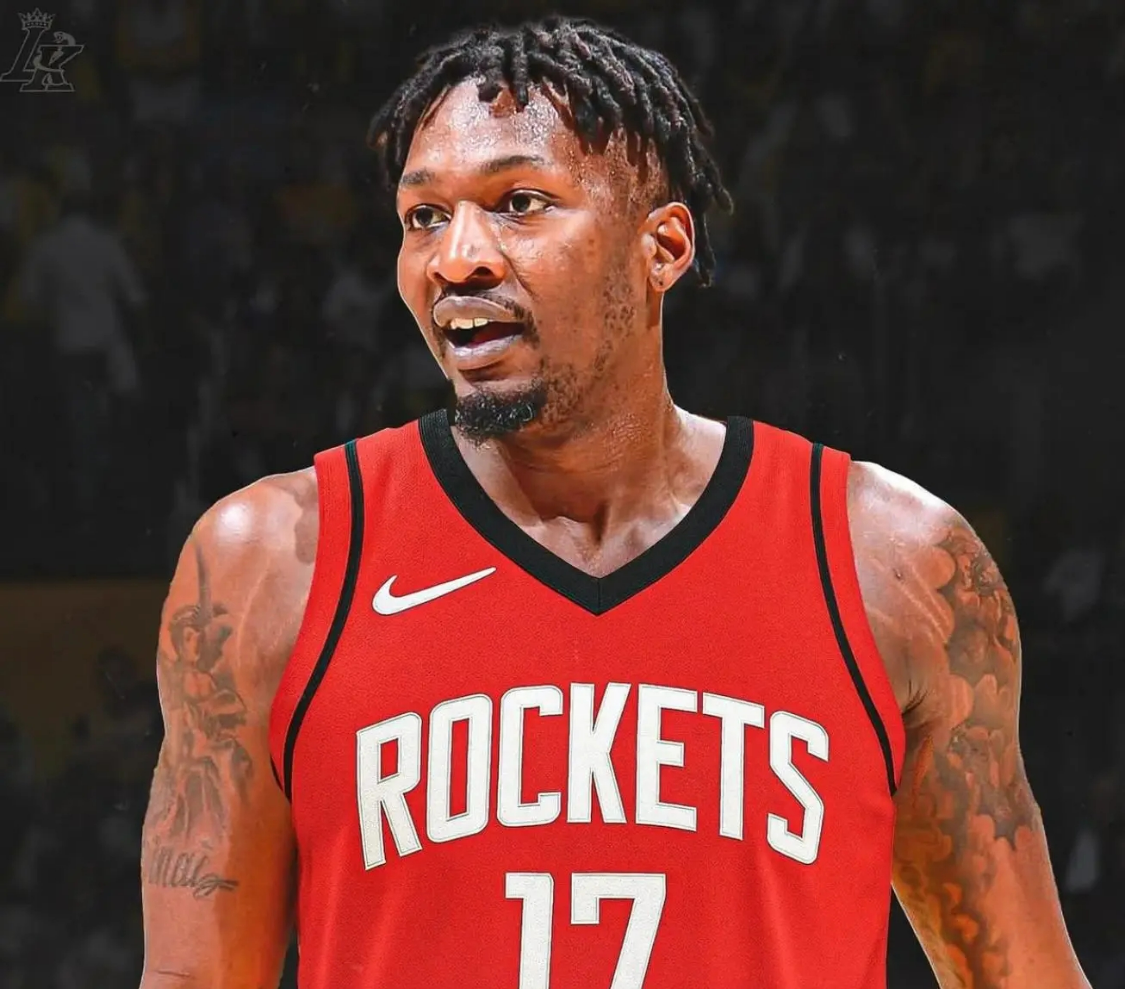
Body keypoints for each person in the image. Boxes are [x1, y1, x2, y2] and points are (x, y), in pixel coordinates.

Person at [137, 17, 1090, 989]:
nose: (456, 258)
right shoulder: (273, 562)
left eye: (517, 203)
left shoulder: (896, 564)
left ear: (663, 245)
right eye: (423, 216)